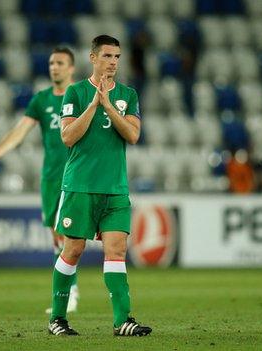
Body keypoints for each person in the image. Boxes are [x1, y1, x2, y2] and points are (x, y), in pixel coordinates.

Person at [47, 35, 152, 337]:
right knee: (74, 249)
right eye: (107, 56)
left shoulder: (128, 95)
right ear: (92, 58)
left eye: (117, 57)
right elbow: (67, 137)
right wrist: (95, 103)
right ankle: (57, 318)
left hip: (115, 188)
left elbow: (133, 136)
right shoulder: (75, 93)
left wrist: (109, 105)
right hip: (80, 185)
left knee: (116, 249)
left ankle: (122, 321)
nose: (113, 62)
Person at [0, 47, 80, 313]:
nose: (54, 67)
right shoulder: (41, 100)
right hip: (50, 176)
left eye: (60, 63)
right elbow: (20, 131)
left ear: (71, 68)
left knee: (66, 232)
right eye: (51, 63)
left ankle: (69, 292)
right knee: (56, 236)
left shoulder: (81, 95)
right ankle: (69, 289)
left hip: (76, 175)